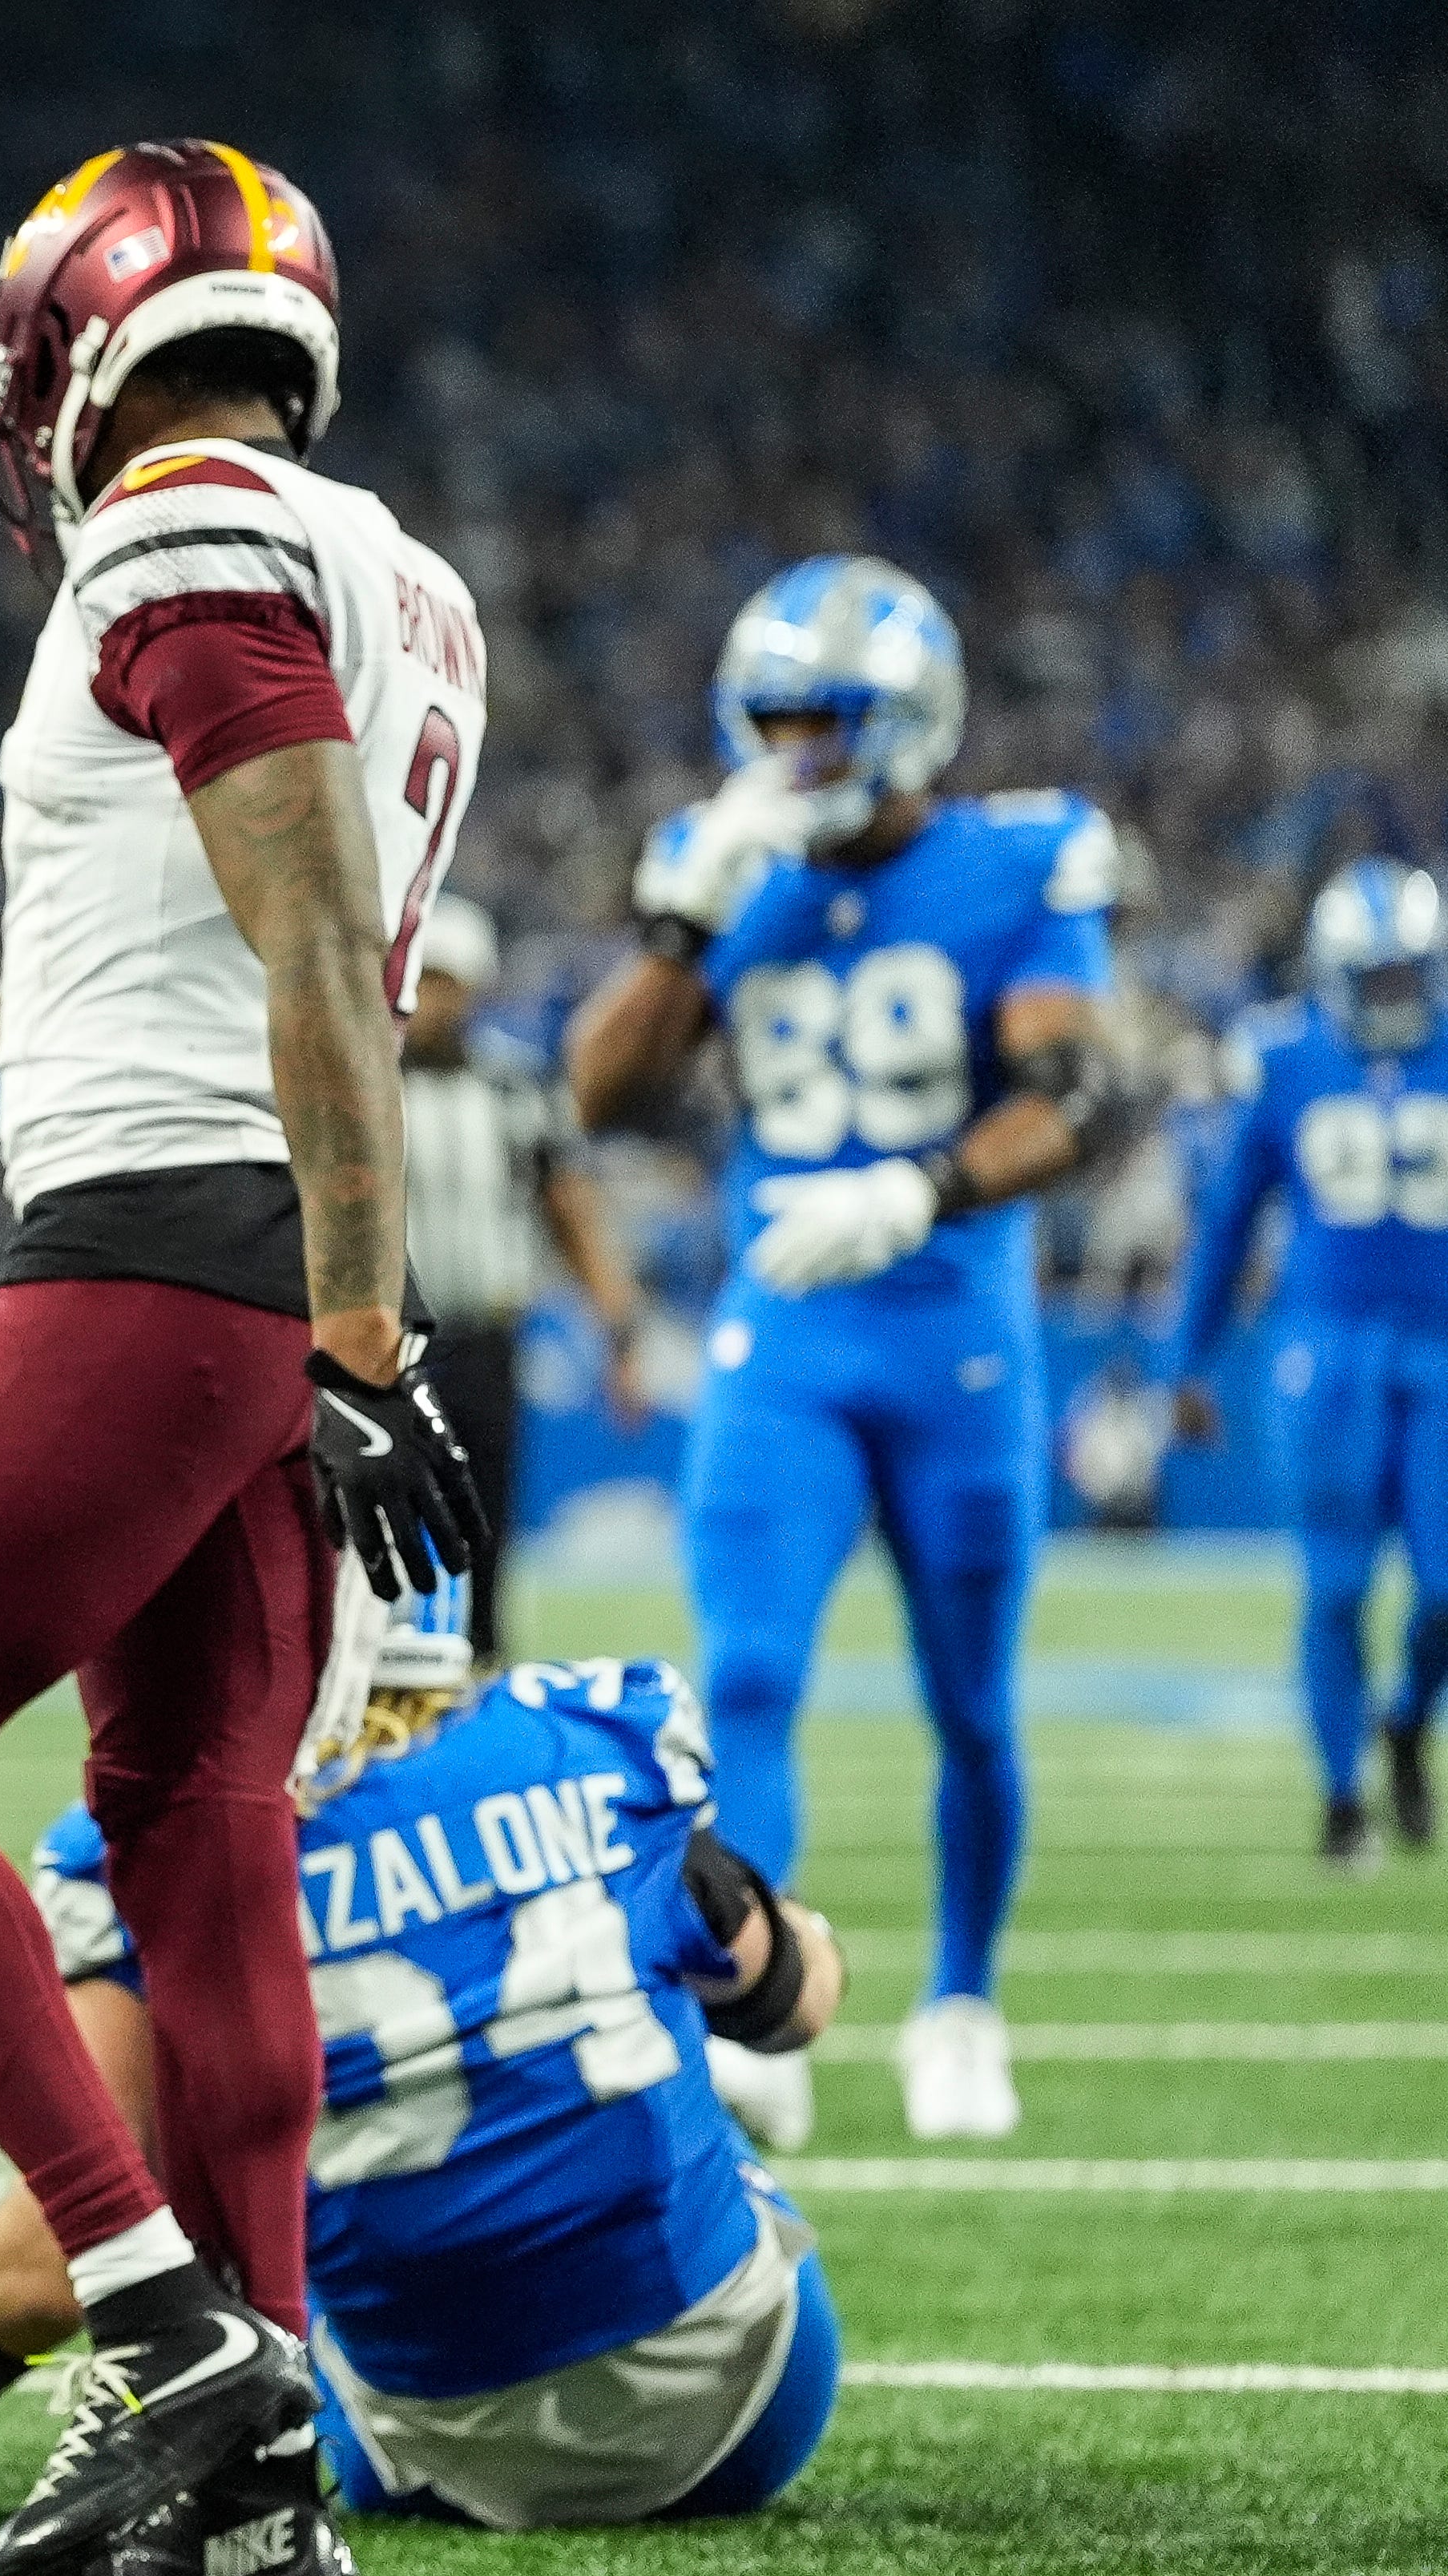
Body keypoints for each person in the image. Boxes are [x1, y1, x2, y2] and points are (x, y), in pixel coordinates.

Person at [0, 138, 491, 2576]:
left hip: (180, 1270)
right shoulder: (385, 567)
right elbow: (232, 961)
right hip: (230, 1259)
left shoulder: (177, 535)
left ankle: (166, 2328)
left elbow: (308, 963)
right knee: (193, 1825)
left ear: (69, 332)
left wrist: (359, 1325)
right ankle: (258, 2463)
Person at [0, 1593, 845, 2576]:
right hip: (752, 2401)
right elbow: (794, 2005)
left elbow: (48, 2268)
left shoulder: (140, 1855)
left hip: (454, 2450)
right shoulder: (597, 1734)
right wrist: (733, 1912)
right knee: (680, 2121)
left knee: (230, 2256)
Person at [567, 556, 1129, 2147]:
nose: (798, 752)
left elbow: (1083, 1096)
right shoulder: (717, 861)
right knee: (744, 1666)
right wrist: (683, 922)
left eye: (831, 721)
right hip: (783, 1340)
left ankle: (960, 1997)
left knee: (971, 1706)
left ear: (913, 719)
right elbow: (591, 1096)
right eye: (776, 721)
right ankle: (762, 2003)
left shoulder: (1022, 856)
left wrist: (923, 1189)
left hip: (957, 1333)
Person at [1169, 858, 1448, 1867]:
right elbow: (1227, 1223)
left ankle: (1409, 1718)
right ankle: (1340, 1798)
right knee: (1332, 1587)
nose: (1390, 997)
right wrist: (1186, 1361)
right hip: (1326, 1351)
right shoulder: (1285, 1058)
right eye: (1370, 978)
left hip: (1441, 1346)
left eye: (1403, 975)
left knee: (1442, 1589)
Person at [399, 893, 652, 1661]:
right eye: (423, 980)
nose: (433, 999)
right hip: (383, 1343)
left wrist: (619, 1329)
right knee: (366, 1536)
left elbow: (568, 1209)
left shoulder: (514, 1089)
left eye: (447, 981)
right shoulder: (364, 1085)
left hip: (482, 1337)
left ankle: (475, 1695)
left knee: (485, 1535)